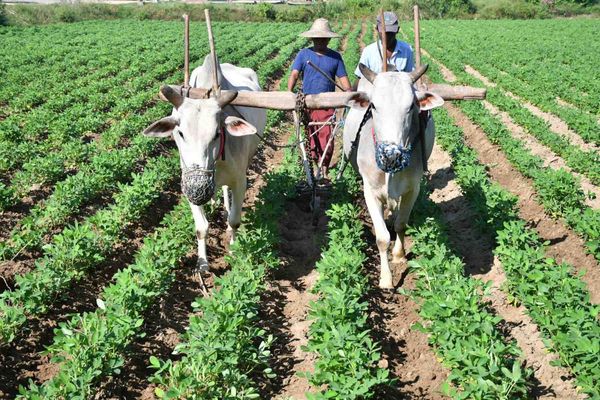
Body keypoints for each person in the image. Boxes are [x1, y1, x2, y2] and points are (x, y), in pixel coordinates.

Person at [288, 18, 351, 179]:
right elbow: (294, 74)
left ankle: (324, 166)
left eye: (323, 38)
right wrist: (289, 93)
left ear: (329, 39)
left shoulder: (335, 57)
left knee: (327, 136)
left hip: (327, 104)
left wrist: (349, 94)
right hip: (307, 102)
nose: (321, 41)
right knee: (310, 135)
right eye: (317, 38)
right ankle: (315, 163)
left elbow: (344, 80)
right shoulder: (304, 54)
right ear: (312, 39)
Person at [354, 11, 414, 87]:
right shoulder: (369, 52)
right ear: (377, 29)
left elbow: (410, 77)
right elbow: (360, 78)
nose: (386, 36)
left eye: (390, 33)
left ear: (397, 30)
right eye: (383, 32)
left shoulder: (407, 50)